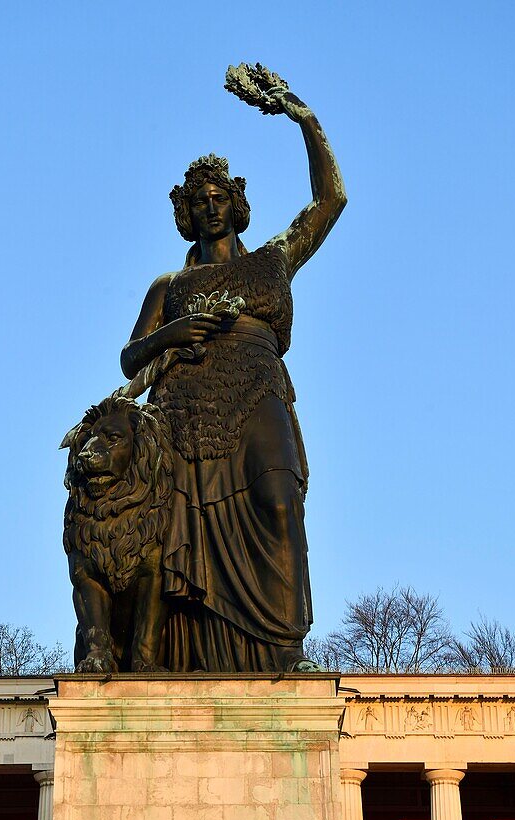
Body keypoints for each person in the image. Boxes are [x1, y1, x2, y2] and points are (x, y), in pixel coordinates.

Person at [121, 66, 346, 673]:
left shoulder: (274, 258)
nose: (211, 207)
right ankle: (172, 656)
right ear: (186, 214)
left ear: (237, 204)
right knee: (174, 533)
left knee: (278, 497)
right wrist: (173, 332)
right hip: (185, 409)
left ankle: (286, 648)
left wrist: (305, 119)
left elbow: (332, 201)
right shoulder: (170, 286)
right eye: (200, 202)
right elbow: (130, 356)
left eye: (220, 198)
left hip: (256, 391)